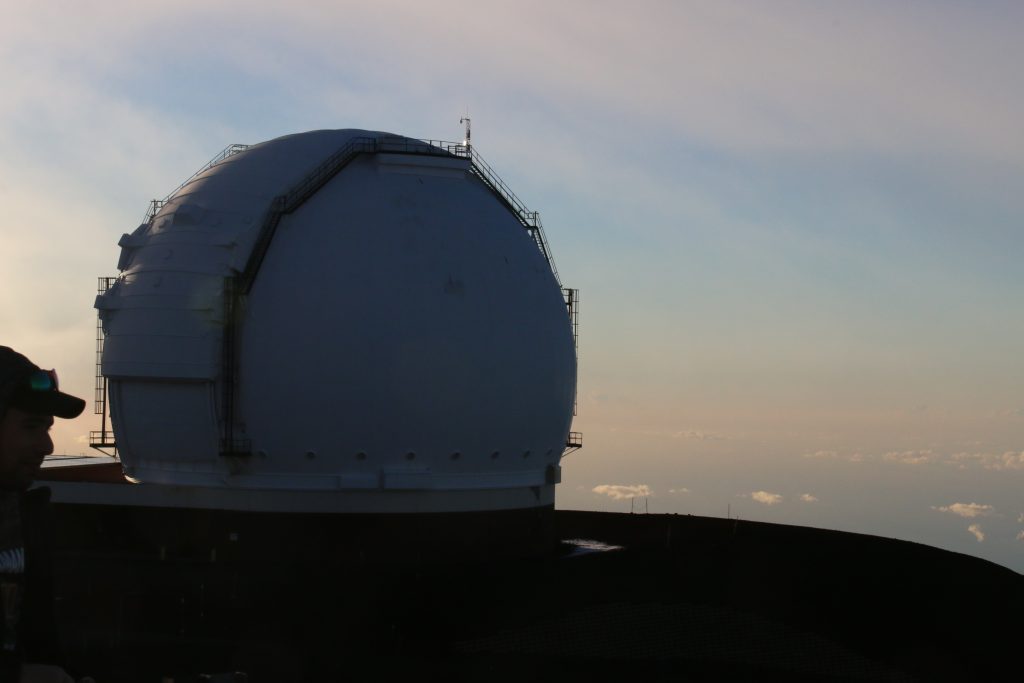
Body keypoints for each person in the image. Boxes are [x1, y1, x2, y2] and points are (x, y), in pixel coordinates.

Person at [0, 347, 85, 683]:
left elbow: (39, 647)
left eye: (47, 429)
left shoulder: (25, 519)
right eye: (31, 427)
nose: (47, 447)